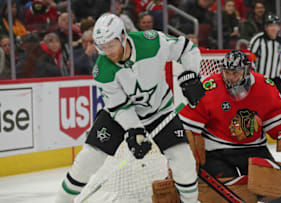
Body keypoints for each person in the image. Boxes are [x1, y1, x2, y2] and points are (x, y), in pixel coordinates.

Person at [55, 13, 204, 203]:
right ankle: (62, 199)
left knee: (183, 159)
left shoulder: (152, 42)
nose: (108, 52)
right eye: (102, 47)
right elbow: (119, 107)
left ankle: (190, 202)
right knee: (89, 156)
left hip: (160, 111)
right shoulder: (102, 70)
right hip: (120, 115)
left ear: (123, 37)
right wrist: (135, 130)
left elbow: (187, 49)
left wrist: (191, 74)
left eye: (111, 45)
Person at [179, 49, 281, 179]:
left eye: (235, 73)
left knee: (272, 187)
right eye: (227, 72)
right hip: (217, 150)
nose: (230, 78)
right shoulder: (210, 87)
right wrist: (185, 157)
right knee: (232, 192)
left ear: (246, 71)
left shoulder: (265, 87)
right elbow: (188, 124)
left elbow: (276, 124)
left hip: (254, 148)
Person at [249, 13, 281, 113]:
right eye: (271, 26)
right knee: (259, 106)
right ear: (266, 27)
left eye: (276, 26)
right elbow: (251, 59)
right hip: (260, 79)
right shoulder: (258, 40)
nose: (273, 28)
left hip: (275, 79)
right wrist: (253, 77)